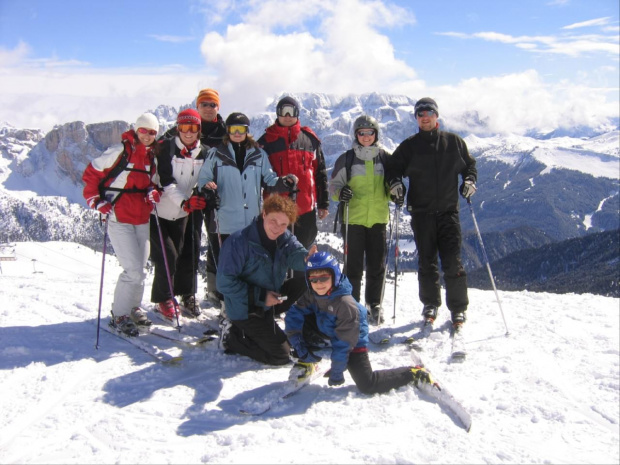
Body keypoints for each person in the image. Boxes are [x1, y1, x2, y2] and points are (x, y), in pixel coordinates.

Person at [386, 97, 477, 331]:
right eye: (420, 114)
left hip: (448, 212)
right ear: (416, 118)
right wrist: (395, 184)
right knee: (427, 262)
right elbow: (393, 168)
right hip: (422, 213)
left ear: (436, 115)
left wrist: (470, 181)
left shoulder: (453, 142)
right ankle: (430, 304)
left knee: (452, 261)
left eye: (429, 113)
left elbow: (469, 166)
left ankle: (458, 308)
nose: (425, 117)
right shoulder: (409, 146)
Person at [285, 252, 433, 394]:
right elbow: (294, 313)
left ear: (334, 275)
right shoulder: (312, 293)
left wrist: (337, 369)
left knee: (367, 384)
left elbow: (344, 342)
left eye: (324, 278)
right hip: (329, 329)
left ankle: (413, 373)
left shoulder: (345, 304)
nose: (319, 284)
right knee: (299, 323)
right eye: (313, 279)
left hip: (353, 340)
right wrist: (297, 342)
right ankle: (306, 363)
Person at [82, 113, 161, 336]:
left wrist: (153, 193)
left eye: (152, 132)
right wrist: (95, 201)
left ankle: (133, 308)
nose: (147, 135)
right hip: (119, 216)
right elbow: (91, 173)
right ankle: (119, 315)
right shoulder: (120, 152)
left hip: (142, 217)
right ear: (137, 130)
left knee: (141, 269)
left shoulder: (152, 157)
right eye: (143, 130)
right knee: (133, 269)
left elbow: (153, 184)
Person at [216, 195, 317, 366]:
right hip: (246, 308)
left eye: (283, 224)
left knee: (309, 282)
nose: (277, 228)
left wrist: (306, 259)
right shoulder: (239, 242)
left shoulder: (284, 239)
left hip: (272, 299)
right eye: (273, 220)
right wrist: (261, 296)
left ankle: (311, 328)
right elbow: (224, 282)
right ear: (264, 214)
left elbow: (295, 254)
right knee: (282, 355)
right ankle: (232, 337)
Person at [258, 96, 329, 314]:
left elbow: (320, 173)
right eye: (283, 111)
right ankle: (275, 301)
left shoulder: (310, 140)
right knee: (276, 257)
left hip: (304, 210)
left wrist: (323, 203)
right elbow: (259, 176)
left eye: (291, 111)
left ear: (298, 113)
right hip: (277, 212)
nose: (287, 116)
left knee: (303, 256)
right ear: (277, 113)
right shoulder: (266, 141)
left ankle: (300, 302)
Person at [330, 115, 401, 324]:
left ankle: (374, 304)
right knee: (352, 266)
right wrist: (340, 193)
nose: (366, 137)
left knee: (376, 265)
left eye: (370, 133)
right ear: (356, 135)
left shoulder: (385, 159)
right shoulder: (347, 159)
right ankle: (352, 304)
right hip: (353, 219)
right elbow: (333, 186)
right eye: (362, 133)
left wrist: (396, 192)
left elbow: (390, 187)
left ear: (376, 134)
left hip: (378, 219)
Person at [162, 88, 227, 308]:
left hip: (218, 196)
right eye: (204, 104)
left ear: (218, 107)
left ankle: (217, 290)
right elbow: (158, 151)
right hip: (186, 196)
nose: (208, 108)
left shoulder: (226, 130)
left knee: (218, 243)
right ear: (197, 106)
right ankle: (186, 292)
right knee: (189, 241)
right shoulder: (178, 130)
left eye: (212, 104)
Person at [197, 111, 297, 254]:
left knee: (250, 266)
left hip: (251, 222)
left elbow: (269, 180)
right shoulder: (216, 154)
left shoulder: (259, 154)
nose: (237, 133)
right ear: (227, 131)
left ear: (247, 131)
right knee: (226, 266)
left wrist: (284, 182)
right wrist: (208, 188)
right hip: (225, 221)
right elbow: (203, 179)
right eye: (233, 129)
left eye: (241, 129)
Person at [150, 108, 211, 320]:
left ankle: (186, 295)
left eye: (193, 128)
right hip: (161, 210)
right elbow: (166, 182)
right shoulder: (166, 148)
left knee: (188, 252)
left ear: (199, 130)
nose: (188, 132)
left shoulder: (204, 153)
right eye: (184, 127)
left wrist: (204, 192)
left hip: (184, 212)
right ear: (178, 128)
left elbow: (206, 178)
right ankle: (164, 299)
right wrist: (185, 202)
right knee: (167, 255)